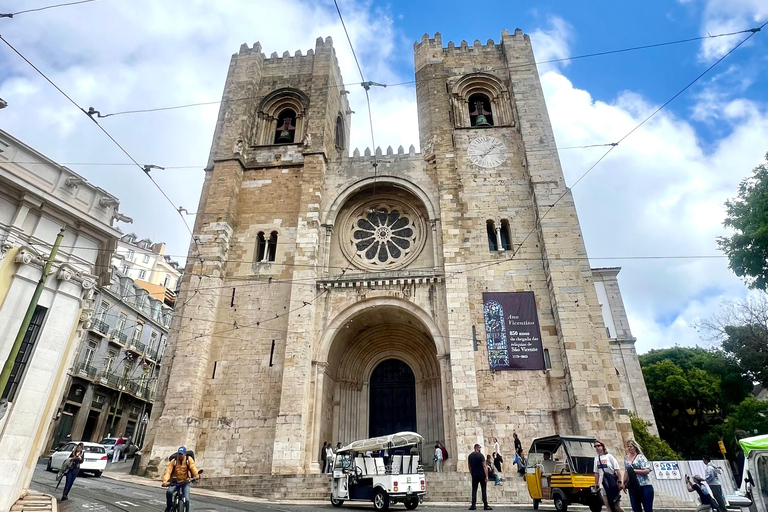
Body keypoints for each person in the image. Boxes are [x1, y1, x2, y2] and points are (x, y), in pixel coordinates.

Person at [162, 446, 200, 512]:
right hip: (175, 482)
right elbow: (168, 471)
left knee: (187, 500)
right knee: (169, 492)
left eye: (181, 454)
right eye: (179, 454)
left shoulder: (188, 459)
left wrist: (196, 475)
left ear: (185, 454)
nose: (180, 456)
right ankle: (169, 506)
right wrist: (165, 481)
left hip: (185, 482)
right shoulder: (174, 461)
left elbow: (193, 467)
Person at [623, 439, 654, 512]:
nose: (629, 448)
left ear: (635, 447)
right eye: (628, 447)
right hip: (633, 485)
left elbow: (647, 470)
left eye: (631, 446)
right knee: (635, 507)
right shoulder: (626, 458)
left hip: (644, 485)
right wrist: (624, 482)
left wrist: (634, 471)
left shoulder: (641, 457)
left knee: (647, 508)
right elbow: (626, 471)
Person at [594, 439, 625, 512]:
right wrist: (596, 485)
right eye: (595, 446)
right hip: (603, 484)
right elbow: (596, 473)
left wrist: (620, 482)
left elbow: (617, 470)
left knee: (616, 506)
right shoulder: (596, 458)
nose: (597, 448)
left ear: (602, 446)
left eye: (598, 445)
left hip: (612, 483)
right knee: (608, 507)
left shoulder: (609, 456)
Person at [468, 443, 492, 511]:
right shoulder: (481, 456)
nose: (480, 449)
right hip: (482, 475)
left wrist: (472, 473)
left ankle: (473, 505)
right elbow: (484, 466)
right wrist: (487, 476)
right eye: (479, 448)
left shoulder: (470, 456)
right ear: (477, 448)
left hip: (474, 475)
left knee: (474, 490)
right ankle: (485, 505)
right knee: (483, 490)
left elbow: (469, 467)